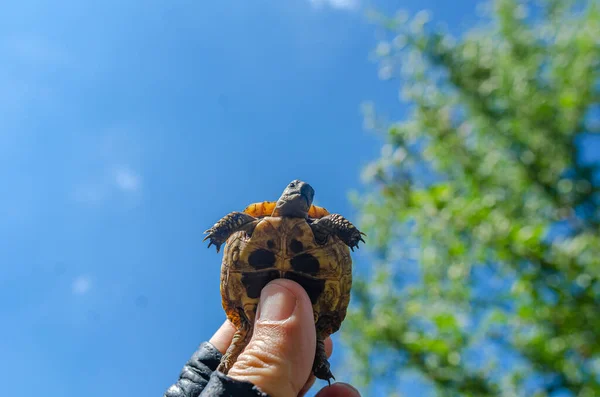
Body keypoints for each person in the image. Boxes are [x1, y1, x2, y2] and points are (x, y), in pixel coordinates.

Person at [163, 279, 362, 397]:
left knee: (240, 336)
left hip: (259, 301)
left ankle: (318, 356)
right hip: (304, 305)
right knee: (238, 340)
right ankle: (318, 356)